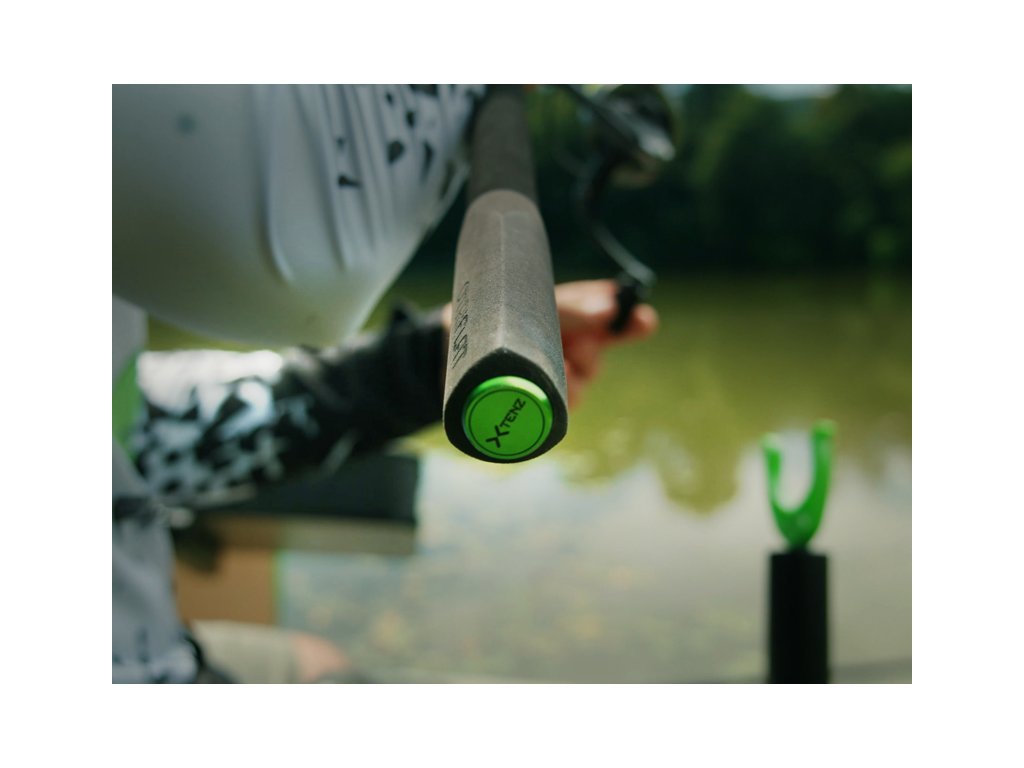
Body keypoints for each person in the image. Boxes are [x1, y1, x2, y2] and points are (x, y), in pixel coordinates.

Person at [113, 85, 657, 683]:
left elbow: (137, 431)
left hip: (152, 628)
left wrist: (427, 363)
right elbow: (318, 265)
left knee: (323, 666)